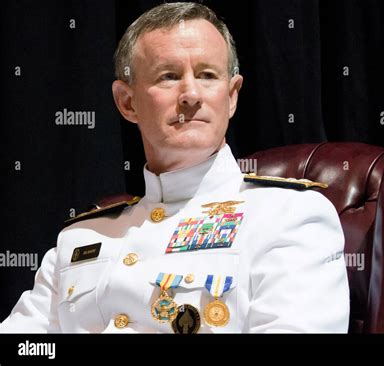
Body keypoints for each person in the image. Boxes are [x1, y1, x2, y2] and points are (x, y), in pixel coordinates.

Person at [0, 2, 349, 333]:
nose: (191, 94)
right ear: (127, 102)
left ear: (232, 96)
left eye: (207, 75)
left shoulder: (290, 215)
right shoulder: (79, 238)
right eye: (168, 76)